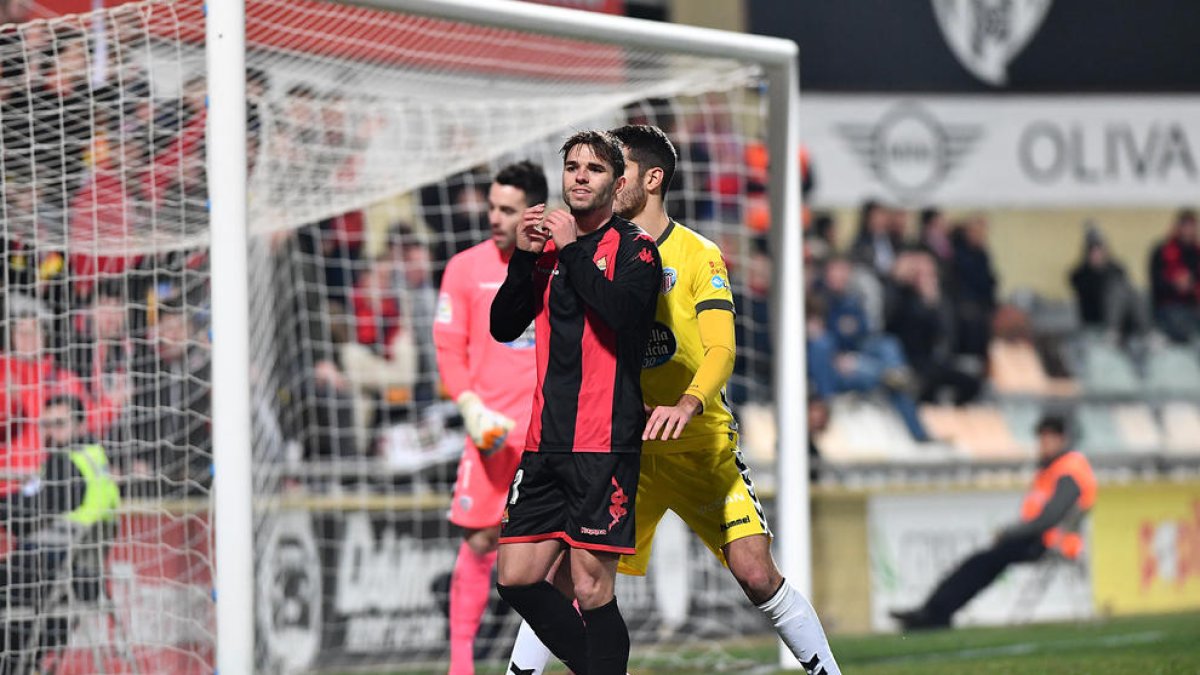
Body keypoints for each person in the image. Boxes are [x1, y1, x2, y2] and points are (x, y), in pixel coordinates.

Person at [505, 125, 841, 675]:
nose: (605, 176)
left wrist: (687, 403)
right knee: (563, 577)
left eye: (621, 167)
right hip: (623, 446)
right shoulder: (592, 252)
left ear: (651, 178)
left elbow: (721, 349)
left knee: (756, 572)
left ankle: (828, 672)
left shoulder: (697, 254)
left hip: (697, 447)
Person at [490, 130, 662, 675]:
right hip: (545, 442)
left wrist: (569, 250)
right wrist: (524, 257)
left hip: (604, 442)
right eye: (571, 167)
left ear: (617, 183)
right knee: (515, 577)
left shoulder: (636, 250)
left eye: (593, 168)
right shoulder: (546, 252)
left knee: (590, 587)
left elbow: (624, 317)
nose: (579, 176)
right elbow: (502, 326)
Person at [433, 161, 546, 675]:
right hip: (491, 436)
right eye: (492, 208)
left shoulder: (560, 266)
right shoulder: (464, 269)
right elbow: (448, 350)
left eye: (508, 209)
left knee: (557, 560)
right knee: (479, 541)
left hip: (547, 436)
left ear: (535, 213)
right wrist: (470, 407)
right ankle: (461, 666)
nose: (496, 218)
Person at [890, 415, 1096, 630]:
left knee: (982, 562)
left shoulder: (1069, 470)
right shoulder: (1056, 468)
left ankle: (935, 613)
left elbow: (1049, 518)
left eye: (1048, 439)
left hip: (1048, 542)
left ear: (1062, 439)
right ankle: (934, 611)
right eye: (1041, 439)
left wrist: (1010, 532)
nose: (1043, 445)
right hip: (1038, 540)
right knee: (981, 562)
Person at [0, 394, 120, 673]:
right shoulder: (95, 457)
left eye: (58, 424)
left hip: (55, 579)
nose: (50, 432)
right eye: (46, 425)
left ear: (79, 425)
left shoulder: (65, 464)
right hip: (87, 578)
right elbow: (35, 500)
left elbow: (30, 512)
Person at [1147, 209, 1200, 342]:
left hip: (1193, 307)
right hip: (1169, 307)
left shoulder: (1197, 253)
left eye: (1191, 226)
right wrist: (1175, 285)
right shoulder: (1162, 251)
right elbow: (1155, 283)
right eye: (1185, 226)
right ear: (1177, 227)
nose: (1188, 230)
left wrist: (1190, 285)